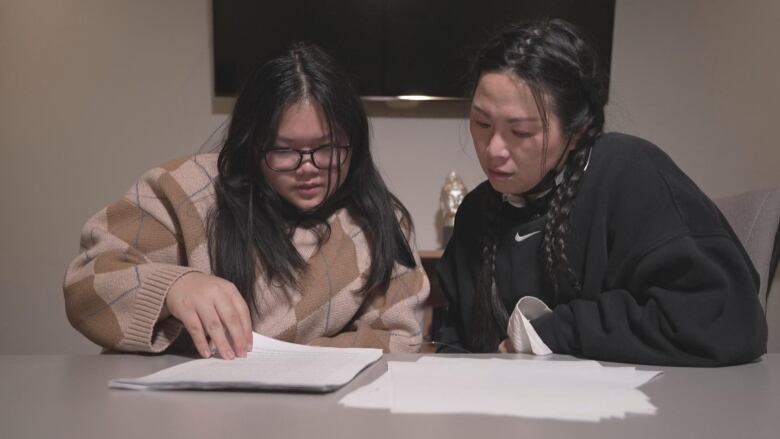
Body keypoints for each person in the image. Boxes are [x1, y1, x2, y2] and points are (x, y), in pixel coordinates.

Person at [63, 43, 429, 359]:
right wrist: (174, 287)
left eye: (329, 148)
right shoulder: (183, 191)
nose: (309, 168)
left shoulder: (380, 222)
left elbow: (398, 341)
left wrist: (294, 360)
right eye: (284, 150)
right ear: (251, 142)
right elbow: (85, 284)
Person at [435, 19, 767, 366]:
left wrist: (553, 331)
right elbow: (455, 342)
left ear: (575, 133)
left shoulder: (627, 173)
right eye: (482, 124)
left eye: (520, 131)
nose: (493, 150)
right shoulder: (476, 211)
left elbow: (727, 318)